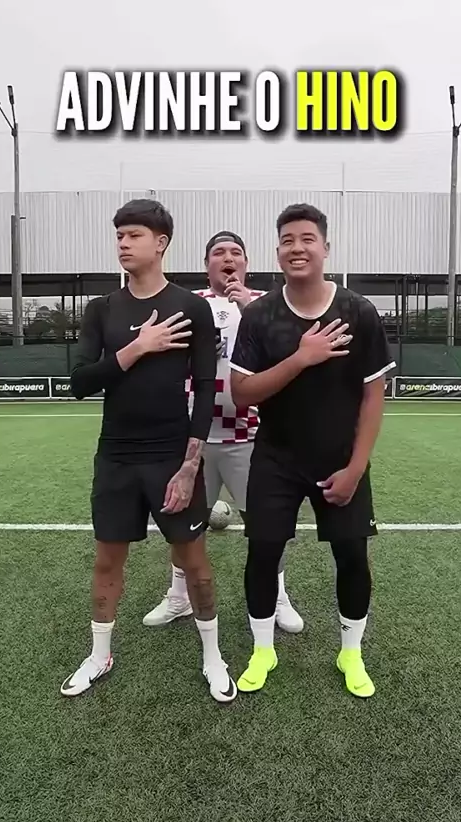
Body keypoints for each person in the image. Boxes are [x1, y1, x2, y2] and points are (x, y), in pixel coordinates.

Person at [60, 198, 237, 704]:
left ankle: (213, 656)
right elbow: (79, 382)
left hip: (170, 456)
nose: (122, 243)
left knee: (195, 562)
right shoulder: (102, 309)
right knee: (106, 561)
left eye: (133, 234)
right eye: (119, 234)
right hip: (115, 456)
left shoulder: (192, 307)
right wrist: (138, 347)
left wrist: (189, 465)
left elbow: (207, 387)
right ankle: (99, 655)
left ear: (160, 243)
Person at [230, 203, 396, 698]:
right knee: (263, 554)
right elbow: (242, 393)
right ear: (277, 250)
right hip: (276, 459)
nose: (296, 248)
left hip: (340, 461)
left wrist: (356, 468)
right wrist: (301, 358)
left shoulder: (358, 312)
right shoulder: (259, 315)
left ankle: (351, 653)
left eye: (307, 239)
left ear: (326, 247)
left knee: (352, 556)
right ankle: (263, 650)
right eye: (287, 240)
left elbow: (373, 396)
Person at [142, 231, 304, 633]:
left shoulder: (267, 304)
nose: (228, 258)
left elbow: (293, 357)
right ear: (207, 264)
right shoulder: (188, 305)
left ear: (246, 264)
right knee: (183, 526)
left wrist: (250, 308)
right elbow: (164, 360)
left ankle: (278, 596)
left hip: (250, 437)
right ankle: (179, 596)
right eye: (219, 252)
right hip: (192, 439)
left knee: (267, 525)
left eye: (235, 253)